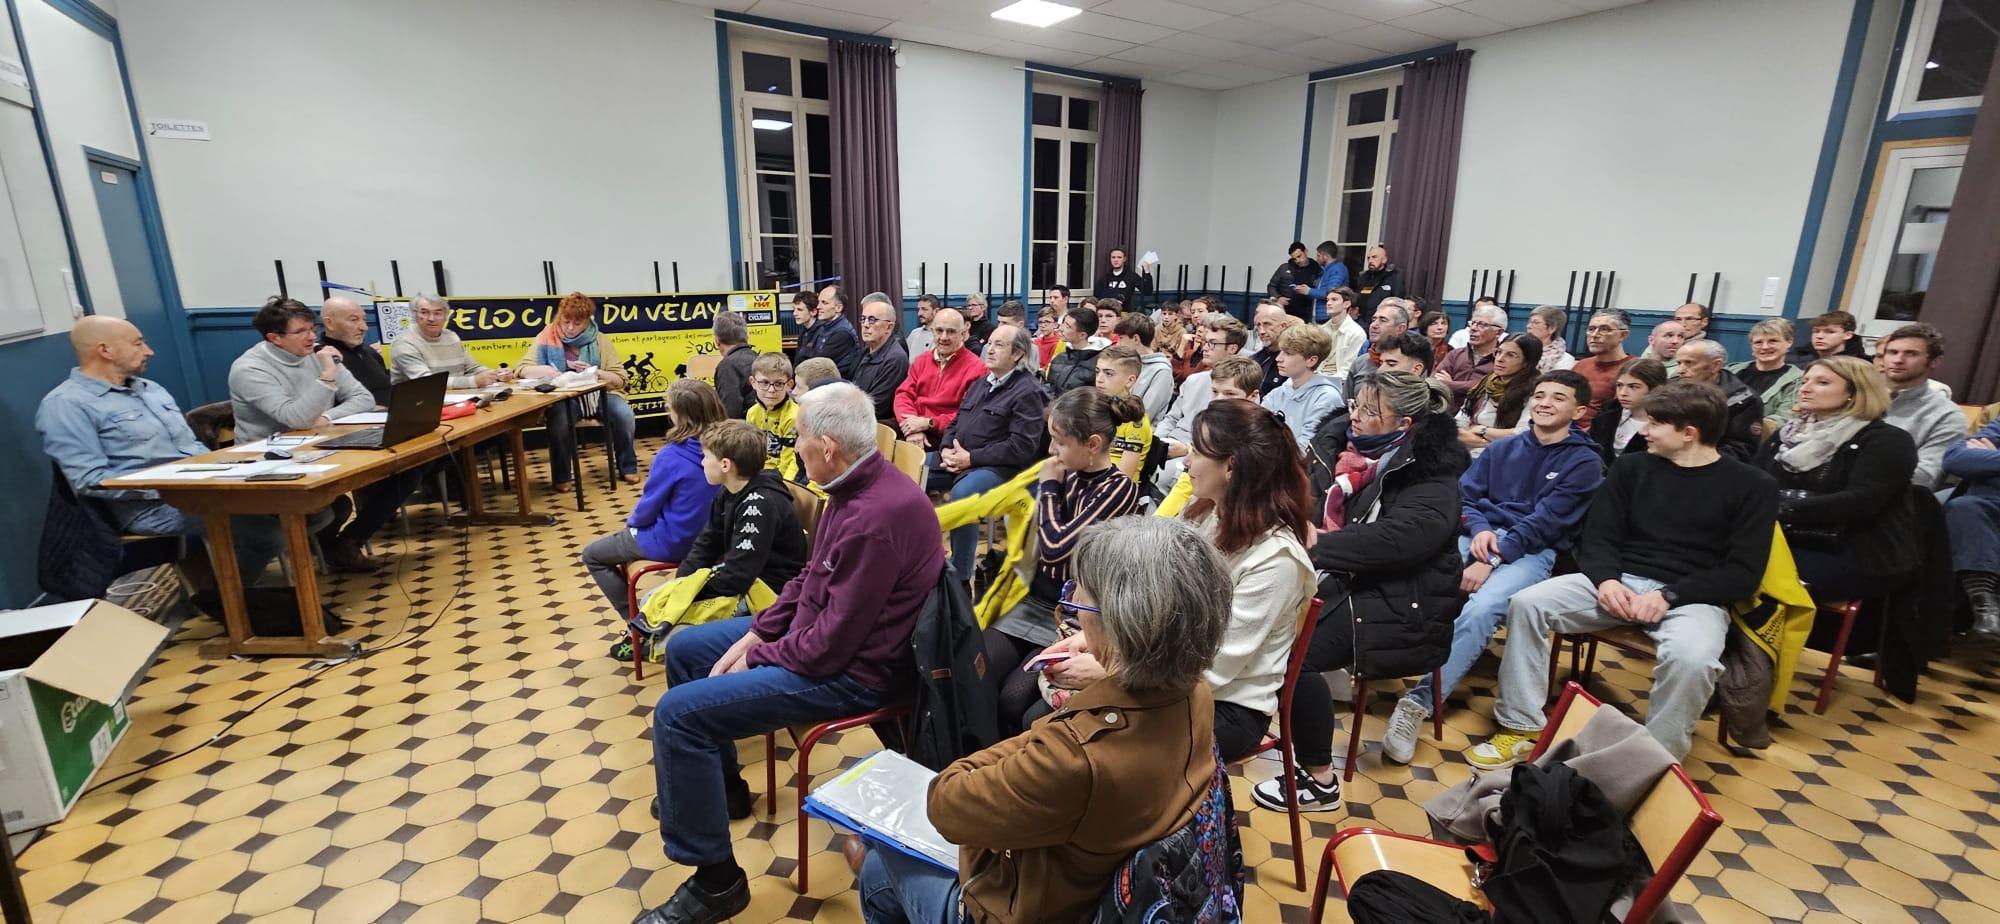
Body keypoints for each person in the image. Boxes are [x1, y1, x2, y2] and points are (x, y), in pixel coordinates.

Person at [635, 384, 942, 924]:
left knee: (678, 716)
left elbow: (829, 649)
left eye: (797, 438)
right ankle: (722, 791)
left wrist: (759, 656)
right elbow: (807, 579)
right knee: (685, 649)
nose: (790, 447)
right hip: (822, 641)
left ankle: (716, 882)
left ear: (826, 445)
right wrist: (757, 634)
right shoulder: (849, 487)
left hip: (856, 674)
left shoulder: (875, 516)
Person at [860, 517, 1229, 924]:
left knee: (877, 858)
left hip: (1044, 908)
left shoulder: (1073, 756)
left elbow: (945, 801)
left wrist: (1086, 696)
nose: (1077, 616)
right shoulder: (1196, 693)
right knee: (879, 866)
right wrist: (1113, 662)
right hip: (1110, 883)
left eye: (1081, 605)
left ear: (1121, 623)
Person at [1469, 382, 1776, 766]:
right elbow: (1598, 536)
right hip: (1618, 580)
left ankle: (1654, 762)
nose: (1643, 431)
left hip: (1692, 596)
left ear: (1688, 433)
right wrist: (1608, 579)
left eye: (1653, 424)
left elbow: (1742, 572)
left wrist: (1669, 596)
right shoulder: (1633, 467)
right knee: (1529, 604)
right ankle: (1521, 725)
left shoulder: (1753, 487)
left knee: (1693, 659)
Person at [1253, 372, 1466, 813]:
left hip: (1401, 595)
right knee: (1255, 613)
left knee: (1294, 653)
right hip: (1344, 572)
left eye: (1370, 411)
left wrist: (1314, 545)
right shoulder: (1339, 446)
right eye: (1355, 405)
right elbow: (1308, 499)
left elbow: (1401, 540)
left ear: (1404, 424)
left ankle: (1319, 777)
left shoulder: (1431, 471)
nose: (1355, 416)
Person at [1380, 370, 1604, 765]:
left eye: (1558, 397)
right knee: (1415, 576)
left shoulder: (1584, 463)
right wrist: (1482, 530)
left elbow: (1547, 522)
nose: (1544, 403)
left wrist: (1493, 557)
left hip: (1532, 550)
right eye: (1539, 395)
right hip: (1479, 536)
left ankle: (1417, 705)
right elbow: (1464, 495)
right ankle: (1377, 662)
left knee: (1483, 607)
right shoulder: (1505, 449)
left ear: (1579, 410)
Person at [38, 316, 288, 583]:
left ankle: (231, 593)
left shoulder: (150, 390)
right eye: (138, 344)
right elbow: (89, 480)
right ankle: (227, 603)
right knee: (268, 534)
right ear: (105, 351)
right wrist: (172, 486)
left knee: (286, 503)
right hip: (151, 507)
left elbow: (189, 447)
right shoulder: (66, 405)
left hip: (201, 487)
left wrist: (233, 468)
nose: (149, 351)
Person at [980, 386, 1144, 732]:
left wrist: (1049, 488)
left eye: (1060, 441)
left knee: (1014, 698)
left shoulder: (1118, 489)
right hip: (1029, 600)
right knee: (976, 669)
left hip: (1066, 617)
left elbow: (1055, 548)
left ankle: (1012, 769)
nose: (1051, 450)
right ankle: (976, 763)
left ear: (1093, 445)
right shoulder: (1064, 469)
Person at [1172, 399, 1314, 761]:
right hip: (1177, 672)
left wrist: (1116, 670)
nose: (1186, 462)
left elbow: (1216, 665)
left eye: (1197, 452)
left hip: (1228, 704)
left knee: (1090, 748)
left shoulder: (1277, 559)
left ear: (1231, 465)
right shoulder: (1205, 511)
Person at [611, 419, 810, 662]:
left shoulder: (760, 504)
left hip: (768, 592)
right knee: (654, 598)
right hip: (743, 582)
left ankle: (693, 675)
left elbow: (738, 575)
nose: (702, 462)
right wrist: (681, 584)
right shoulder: (728, 492)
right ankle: (647, 640)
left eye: (706, 457)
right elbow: (706, 544)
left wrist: (693, 594)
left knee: (677, 639)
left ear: (725, 465)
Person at [228, 298, 391, 573]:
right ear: (274, 338)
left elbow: (362, 397)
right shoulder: (249, 369)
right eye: (301, 331)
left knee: (350, 497)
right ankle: (302, 563)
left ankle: (328, 553)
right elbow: (297, 419)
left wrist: (327, 417)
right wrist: (327, 375)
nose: (312, 336)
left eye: (311, 328)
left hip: (317, 446)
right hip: (267, 461)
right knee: (331, 507)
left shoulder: (315, 354)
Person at [1753, 357, 1917, 611]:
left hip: (1852, 547)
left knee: (1749, 579)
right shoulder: (1787, 434)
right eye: (1806, 380)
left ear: (1855, 392)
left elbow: (1862, 501)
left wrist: (1783, 508)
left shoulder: (1888, 440)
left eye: (1822, 382)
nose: (1805, 388)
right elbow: (1754, 480)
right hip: (1782, 537)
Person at [582, 379, 726, 620]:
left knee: (592, 555)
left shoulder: (671, 455)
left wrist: (632, 526)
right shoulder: (731, 446)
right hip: (717, 543)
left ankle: (634, 623)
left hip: (673, 541)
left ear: (679, 415)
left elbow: (648, 508)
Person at [932, 325, 1049, 569]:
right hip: (961, 456)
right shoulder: (982, 382)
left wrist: (971, 458)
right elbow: (956, 421)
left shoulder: (1028, 391)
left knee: (964, 495)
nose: (990, 350)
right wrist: (945, 448)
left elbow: (1021, 447)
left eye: (999, 345)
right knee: (908, 471)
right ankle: (917, 553)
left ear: (1017, 354)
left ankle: (960, 574)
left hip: (1002, 468)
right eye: (990, 343)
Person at [519, 292, 638, 488]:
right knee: (558, 422)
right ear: (559, 318)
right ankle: (562, 476)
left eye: (577, 323)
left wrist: (595, 372)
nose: (570, 328)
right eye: (566, 322)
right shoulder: (546, 337)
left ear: (587, 321)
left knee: (624, 415)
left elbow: (620, 379)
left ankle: (628, 467)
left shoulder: (600, 339)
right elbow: (522, 369)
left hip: (602, 394)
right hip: (566, 399)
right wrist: (545, 370)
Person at [1876, 322, 1963, 491]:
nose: (1898, 360)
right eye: (1892, 352)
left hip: (1889, 498)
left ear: (1935, 361)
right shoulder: (1854, 396)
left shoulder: (1947, 415)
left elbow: (1926, 476)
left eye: (1911, 354)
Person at [893, 308, 982, 452]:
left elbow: (967, 415)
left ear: (963, 334)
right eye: (939, 331)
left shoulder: (976, 368)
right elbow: (903, 395)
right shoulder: (922, 360)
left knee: (899, 456)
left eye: (951, 331)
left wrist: (928, 423)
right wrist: (911, 426)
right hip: (913, 422)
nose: (944, 337)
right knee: (873, 435)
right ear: (932, 331)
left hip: (944, 434)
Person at [1944, 419, 2000, 642]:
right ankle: (1986, 608)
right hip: (1986, 506)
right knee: (1961, 509)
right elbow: (1955, 458)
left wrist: (1989, 460)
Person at [1672, 339, 1764, 461]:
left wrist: (1693, 460)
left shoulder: (1743, 399)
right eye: (1679, 363)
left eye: (1689, 363)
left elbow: (1741, 449)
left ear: (1716, 365)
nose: (1681, 370)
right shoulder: (1670, 388)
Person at [390, 293, 507, 388]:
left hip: (457, 399)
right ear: (414, 315)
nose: (431, 318)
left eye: (437, 313)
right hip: (418, 405)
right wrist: (474, 382)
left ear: (446, 316)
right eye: (424, 312)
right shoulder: (404, 344)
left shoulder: (451, 336)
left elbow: (472, 368)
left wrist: (496, 374)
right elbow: (427, 382)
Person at [1456, 333, 1543, 458]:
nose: (1500, 359)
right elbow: (1460, 421)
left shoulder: (1536, 390)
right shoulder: (1486, 383)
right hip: (1468, 449)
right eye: (1499, 352)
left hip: (1507, 455)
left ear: (1526, 362)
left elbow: (1524, 432)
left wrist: (1482, 430)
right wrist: (1469, 436)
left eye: (1511, 355)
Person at [1260, 323, 1342, 452]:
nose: (1278, 358)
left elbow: (1306, 450)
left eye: (1288, 353)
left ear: (1311, 360)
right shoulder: (1277, 393)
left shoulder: (1327, 398)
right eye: (1281, 351)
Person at [1093, 345, 1154, 483]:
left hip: (1114, 490)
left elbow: (1123, 477)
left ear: (1130, 380)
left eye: (1108, 373)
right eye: (1097, 372)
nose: (1099, 379)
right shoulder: (1095, 408)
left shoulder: (1135, 420)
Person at [1729, 318, 1804, 427]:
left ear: (1789, 342)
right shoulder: (1732, 370)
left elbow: (1783, 420)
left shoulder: (1797, 380)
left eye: (1773, 341)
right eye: (1758, 342)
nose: (1765, 347)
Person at [1591, 357, 1668, 460]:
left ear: (1655, 389)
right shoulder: (1608, 411)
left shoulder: (1666, 423)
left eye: (1633, 387)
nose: (1623, 393)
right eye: (1619, 385)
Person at [319, 296, 390, 404]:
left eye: (364, 320)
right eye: (354, 320)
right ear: (330, 324)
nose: (364, 327)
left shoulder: (369, 351)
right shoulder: (322, 357)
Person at [851, 292, 909, 423]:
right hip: (856, 417)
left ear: (889, 327)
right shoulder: (867, 351)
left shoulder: (895, 358)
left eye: (872, 320)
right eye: (863, 319)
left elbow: (876, 408)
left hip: (874, 427)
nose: (865, 324)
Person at [1436, 304, 1508, 407]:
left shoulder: (1502, 360)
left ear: (1498, 332)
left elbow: (1486, 387)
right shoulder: (1456, 354)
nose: (1473, 328)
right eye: (1473, 323)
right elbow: (1435, 381)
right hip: (1446, 413)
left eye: (1482, 325)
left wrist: (1450, 384)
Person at [1572, 308, 1633, 425]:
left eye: (1604, 329)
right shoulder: (1582, 365)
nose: (1594, 335)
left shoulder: (1633, 368)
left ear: (1623, 335)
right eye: (1591, 329)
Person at [746, 354, 800, 480]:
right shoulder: (752, 413)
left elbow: (792, 461)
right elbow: (750, 453)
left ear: (789, 384)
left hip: (783, 479)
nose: (771, 390)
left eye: (778, 383)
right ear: (753, 382)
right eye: (764, 383)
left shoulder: (794, 416)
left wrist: (782, 485)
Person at [1112, 313, 1174, 420]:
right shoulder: (1124, 363)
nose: (1117, 344)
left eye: (1121, 338)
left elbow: (1146, 414)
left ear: (1136, 339)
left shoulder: (1161, 372)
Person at [797, 284, 862, 379]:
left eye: (824, 303)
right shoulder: (823, 326)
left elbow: (817, 365)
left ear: (838, 308)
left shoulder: (842, 333)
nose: (818, 306)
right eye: (819, 302)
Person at [1347, 299, 1413, 392]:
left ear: (1400, 328)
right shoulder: (1360, 362)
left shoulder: (1411, 362)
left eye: (1383, 320)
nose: (1374, 325)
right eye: (1374, 319)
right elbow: (1346, 402)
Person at [1045, 306, 1105, 398]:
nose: (1061, 328)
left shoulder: (1098, 363)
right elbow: (1048, 388)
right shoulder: (1060, 358)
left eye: (1068, 326)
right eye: (1063, 323)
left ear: (1082, 335)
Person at [710, 310, 757, 420]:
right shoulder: (758, 359)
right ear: (747, 336)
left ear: (717, 341)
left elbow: (730, 412)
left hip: (743, 432)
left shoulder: (727, 367)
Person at [1318, 287, 1368, 381]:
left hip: (1338, 382)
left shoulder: (1356, 333)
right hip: (1317, 375)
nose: (1328, 303)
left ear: (1346, 304)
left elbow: (1347, 370)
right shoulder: (1321, 330)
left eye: (1334, 299)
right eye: (1327, 300)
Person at [1250, 301, 1298, 397]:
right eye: (1258, 325)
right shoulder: (1254, 360)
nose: (1261, 331)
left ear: (1283, 326)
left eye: (1267, 324)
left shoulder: (1296, 361)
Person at [1789, 310, 1869, 366]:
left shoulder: (1859, 364)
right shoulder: (1794, 356)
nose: (1820, 336)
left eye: (1830, 332)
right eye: (1816, 331)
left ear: (1847, 335)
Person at [1296, 241, 1350, 319]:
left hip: (1329, 316)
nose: (1316, 258)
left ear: (1325, 256)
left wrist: (1309, 291)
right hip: (1321, 314)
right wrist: (1305, 290)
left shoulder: (1338, 269)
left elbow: (1331, 293)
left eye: (1318, 255)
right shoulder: (1324, 270)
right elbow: (1320, 290)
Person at [1269, 241, 1321, 321]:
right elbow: (1271, 286)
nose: (1298, 260)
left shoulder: (1317, 269)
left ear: (1306, 252)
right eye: (1294, 259)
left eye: (1299, 256)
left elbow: (1319, 289)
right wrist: (1278, 297)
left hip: (1306, 312)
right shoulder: (1285, 268)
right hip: (1285, 310)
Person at [1353, 245, 1406, 323]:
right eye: (1368, 258)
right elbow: (1357, 298)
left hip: (1383, 321)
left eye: (1374, 257)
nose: (1370, 260)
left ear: (1384, 260)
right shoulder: (1363, 277)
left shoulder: (1394, 276)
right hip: (1362, 321)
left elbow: (1398, 301)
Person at [1526, 305, 1576, 373]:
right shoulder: (1522, 350)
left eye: (1535, 323)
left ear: (1551, 328)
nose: (1528, 326)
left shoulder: (1565, 360)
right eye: (1529, 322)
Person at [962, 292, 996, 358]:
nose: (970, 308)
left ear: (983, 307)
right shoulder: (965, 325)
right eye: (969, 305)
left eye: (974, 305)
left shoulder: (990, 328)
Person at [906, 293, 940, 357]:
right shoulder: (914, 333)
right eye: (918, 309)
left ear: (936, 311)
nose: (919, 313)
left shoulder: (941, 336)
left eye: (924, 309)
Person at [1033, 304, 1061, 372]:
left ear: (1055, 325)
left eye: (1047, 322)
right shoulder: (1036, 342)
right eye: (1040, 322)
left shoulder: (1058, 344)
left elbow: (1050, 368)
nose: (1042, 325)